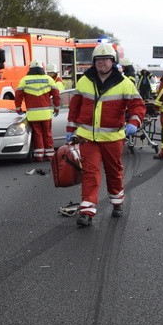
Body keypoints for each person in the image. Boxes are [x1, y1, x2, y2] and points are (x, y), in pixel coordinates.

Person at [65, 43, 146, 226]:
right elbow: (75, 107)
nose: (102, 63)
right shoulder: (84, 81)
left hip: (112, 138)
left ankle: (117, 202)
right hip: (88, 137)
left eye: (106, 59)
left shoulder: (125, 83)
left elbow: (138, 106)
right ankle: (86, 211)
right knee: (90, 173)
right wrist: (71, 129)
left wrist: (134, 122)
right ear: (94, 62)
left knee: (113, 172)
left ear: (113, 62)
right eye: (98, 60)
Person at [14, 60, 61, 162]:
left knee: (37, 134)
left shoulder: (24, 80)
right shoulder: (48, 79)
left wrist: (18, 109)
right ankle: (49, 155)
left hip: (32, 115)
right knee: (47, 133)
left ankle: (39, 155)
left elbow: (18, 96)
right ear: (42, 68)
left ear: (30, 69)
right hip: (46, 114)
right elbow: (56, 95)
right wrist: (57, 108)